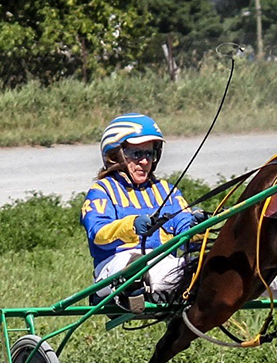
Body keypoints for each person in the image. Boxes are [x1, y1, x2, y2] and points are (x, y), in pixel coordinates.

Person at [82, 113, 201, 308]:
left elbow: (183, 225)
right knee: (135, 264)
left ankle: (150, 290)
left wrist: (198, 226)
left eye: (149, 154)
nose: (145, 161)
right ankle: (134, 289)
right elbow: (97, 233)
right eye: (136, 154)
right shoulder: (102, 191)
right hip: (114, 267)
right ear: (115, 156)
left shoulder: (166, 190)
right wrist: (131, 225)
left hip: (163, 265)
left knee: (202, 268)